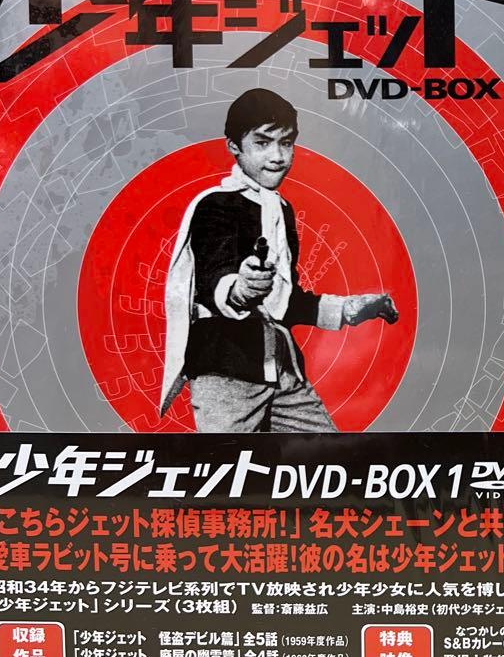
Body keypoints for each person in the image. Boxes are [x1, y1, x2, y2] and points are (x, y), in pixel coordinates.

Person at [159, 88, 398, 431]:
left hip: (282, 371)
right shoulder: (215, 205)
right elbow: (215, 277)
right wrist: (240, 288)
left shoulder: (280, 210)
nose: (277, 156)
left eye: (286, 143)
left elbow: (285, 303)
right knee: (227, 463)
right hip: (227, 371)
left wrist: (353, 309)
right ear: (234, 146)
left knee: (332, 457)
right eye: (262, 142)